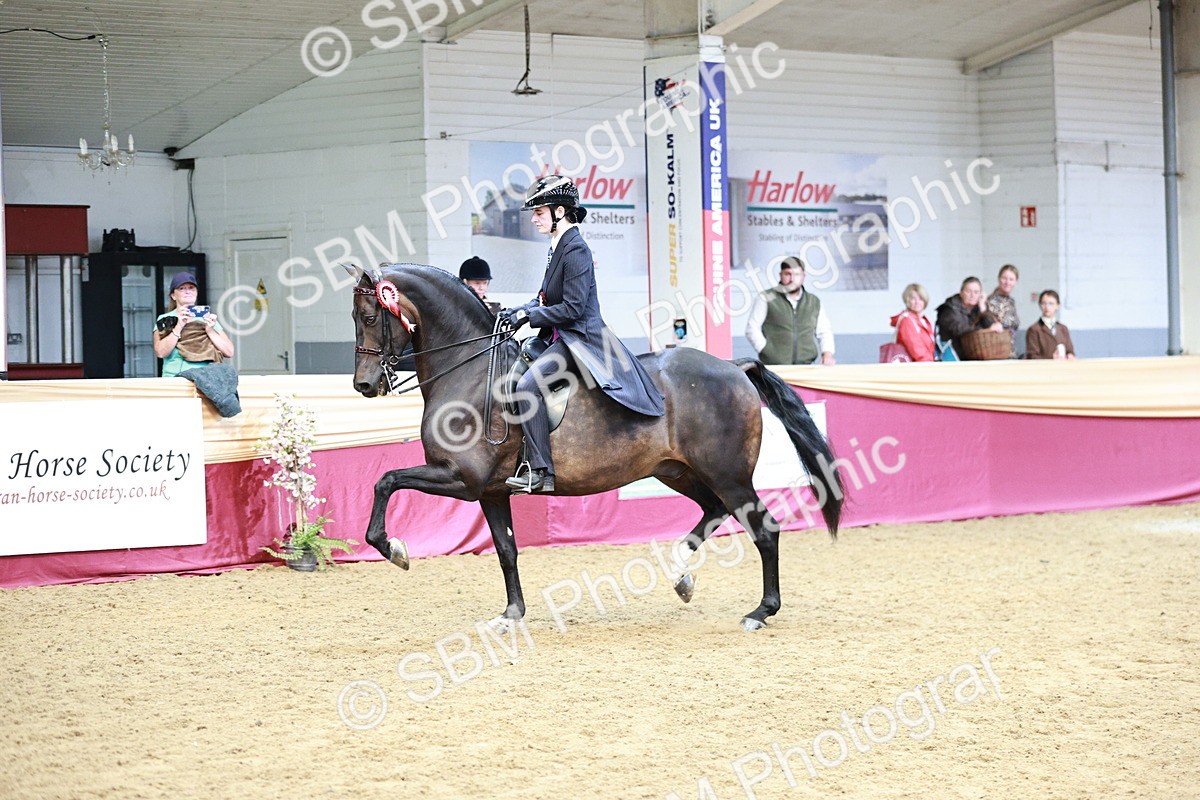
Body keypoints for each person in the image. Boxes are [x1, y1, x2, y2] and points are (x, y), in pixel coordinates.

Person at [497, 175, 665, 494]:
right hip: (559, 335)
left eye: (539, 212)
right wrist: (517, 311)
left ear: (560, 211)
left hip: (580, 339)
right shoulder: (557, 246)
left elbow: (573, 309)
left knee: (528, 385)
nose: (534, 219)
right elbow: (546, 298)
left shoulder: (575, 249)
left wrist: (530, 316)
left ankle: (541, 472)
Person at [745, 256, 835, 365]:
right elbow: (752, 328)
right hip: (774, 368)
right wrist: (766, 350)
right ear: (780, 275)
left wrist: (827, 353)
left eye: (797, 274)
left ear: (803, 276)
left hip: (805, 367)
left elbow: (824, 331)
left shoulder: (813, 301)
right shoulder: (766, 297)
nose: (792, 279)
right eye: (787, 274)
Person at [153, 272, 235, 378]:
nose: (187, 291)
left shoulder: (207, 319)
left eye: (191, 288)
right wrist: (178, 327)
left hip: (205, 378)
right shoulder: (165, 319)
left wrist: (210, 331)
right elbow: (161, 352)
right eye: (182, 288)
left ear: (196, 293)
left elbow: (229, 352)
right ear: (173, 295)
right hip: (174, 378)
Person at [935, 276, 1003, 358]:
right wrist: (987, 330)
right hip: (952, 356)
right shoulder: (949, 309)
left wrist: (983, 308)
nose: (972, 295)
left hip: (973, 356)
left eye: (976, 292)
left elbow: (990, 328)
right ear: (961, 292)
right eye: (968, 291)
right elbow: (959, 329)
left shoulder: (978, 309)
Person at [889, 283, 936, 362]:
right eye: (913, 299)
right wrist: (930, 366)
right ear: (907, 300)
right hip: (915, 368)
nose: (917, 302)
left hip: (924, 364)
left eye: (921, 299)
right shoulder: (907, 321)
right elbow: (917, 350)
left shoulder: (924, 320)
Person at [1025, 290, 1076, 360]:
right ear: (1040, 305)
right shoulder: (1034, 329)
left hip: (1063, 368)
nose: (1047, 307)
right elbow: (1032, 356)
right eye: (1043, 303)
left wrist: (1070, 355)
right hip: (1044, 369)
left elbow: (1070, 350)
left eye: (1051, 303)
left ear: (1058, 306)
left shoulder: (1063, 328)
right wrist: (1051, 359)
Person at [987, 264, 1020, 355]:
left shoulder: (1011, 302)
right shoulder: (990, 301)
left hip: (1010, 350)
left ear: (1016, 282)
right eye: (1004, 278)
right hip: (995, 351)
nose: (1007, 282)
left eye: (1011, 279)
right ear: (999, 279)